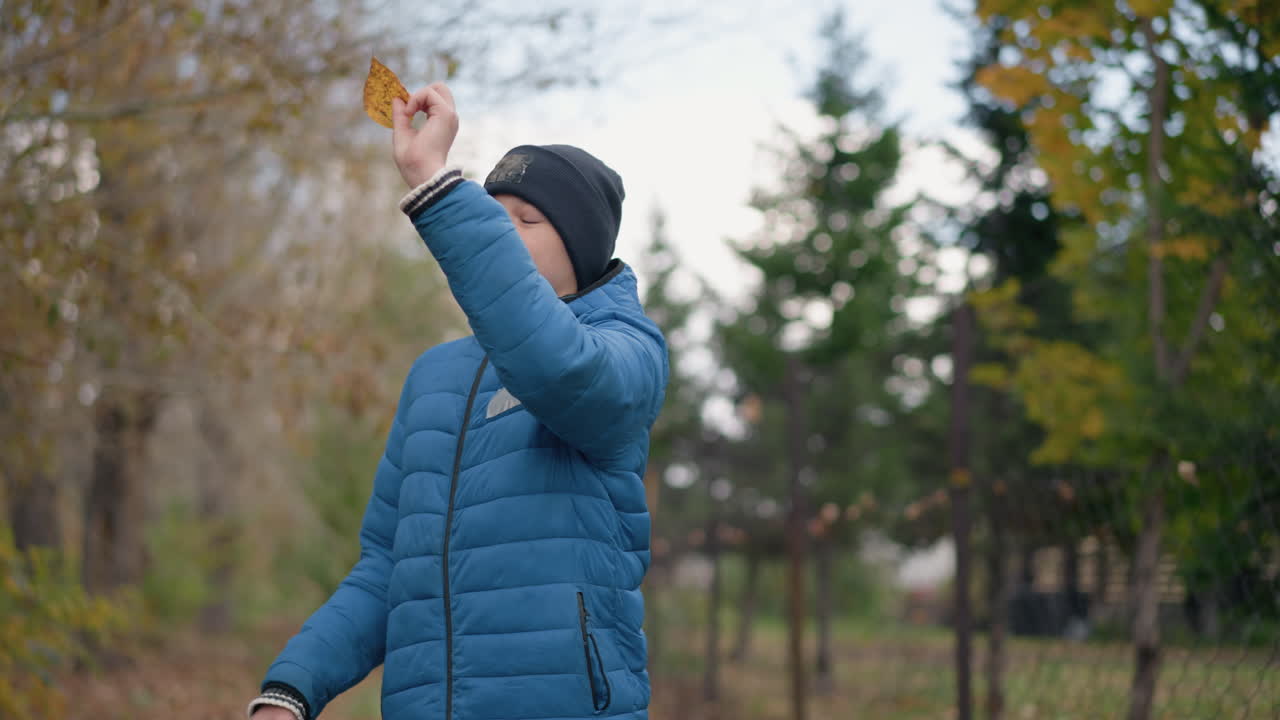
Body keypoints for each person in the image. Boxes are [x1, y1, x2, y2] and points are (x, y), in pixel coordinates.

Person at [246, 82, 667, 720]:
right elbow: (390, 570)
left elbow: (562, 371)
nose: (501, 234)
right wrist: (291, 687)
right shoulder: (433, 376)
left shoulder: (625, 349)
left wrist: (437, 185)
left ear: (582, 251)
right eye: (491, 217)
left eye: (525, 221)